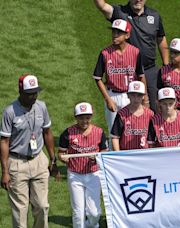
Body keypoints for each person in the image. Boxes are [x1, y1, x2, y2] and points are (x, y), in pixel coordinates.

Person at [0, 75, 60, 228]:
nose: (34, 96)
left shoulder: (41, 106)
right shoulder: (10, 112)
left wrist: (53, 160)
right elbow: (4, 141)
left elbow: (47, 132)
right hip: (17, 163)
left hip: (39, 160)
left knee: (42, 206)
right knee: (20, 210)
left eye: (36, 92)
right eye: (30, 93)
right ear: (21, 92)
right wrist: (5, 171)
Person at [94, 0, 169, 112]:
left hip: (151, 71)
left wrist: (166, 65)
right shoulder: (120, 13)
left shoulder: (154, 15)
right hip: (130, 72)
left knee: (156, 108)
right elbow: (102, 6)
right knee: (132, 112)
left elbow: (161, 39)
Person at [93, 19, 147, 141]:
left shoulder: (135, 52)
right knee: (114, 133)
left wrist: (145, 99)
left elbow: (141, 76)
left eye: (119, 32)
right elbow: (97, 78)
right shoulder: (105, 53)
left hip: (132, 96)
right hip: (113, 95)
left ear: (127, 35)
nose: (115, 35)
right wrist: (108, 99)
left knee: (132, 131)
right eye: (113, 32)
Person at [58, 102, 108, 228]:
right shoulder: (68, 133)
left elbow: (104, 152)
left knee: (94, 213)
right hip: (75, 176)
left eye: (87, 117)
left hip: (93, 174)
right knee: (78, 212)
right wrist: (64, 159)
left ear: (91, 116)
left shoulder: (99, 132)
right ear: (75, 117)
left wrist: (97, 157)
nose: (84, 121)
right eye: (81, 117)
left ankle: (91, 224)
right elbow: (61, 153)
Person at [111, 81, 154, 150]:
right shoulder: (122, 114)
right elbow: (115, 137)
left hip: (144, 152)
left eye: (139, 95)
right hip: (126, 153)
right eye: (133, 95)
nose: (136, 99)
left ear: (143, 96)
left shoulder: (150, 114)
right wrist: (118, 154)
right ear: (128, 95)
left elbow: (152, 138)